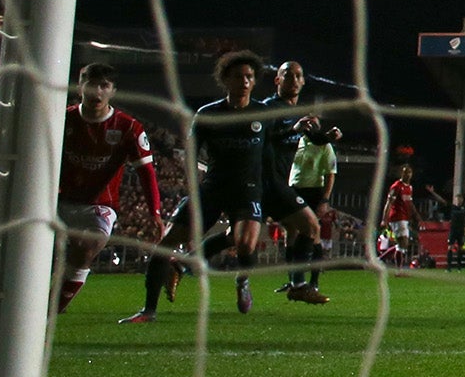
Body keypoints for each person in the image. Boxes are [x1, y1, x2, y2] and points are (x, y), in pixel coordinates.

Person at [124, 50, 277, 323]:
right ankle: (148, 310)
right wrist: (192, 183)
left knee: (244, 243)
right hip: (213, 187)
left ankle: (242, 281)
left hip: (248, 188)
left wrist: (271, 192)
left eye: (250, 77)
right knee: (166, 244)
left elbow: (270, 155)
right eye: (239, 76)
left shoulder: (263, 114)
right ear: (225, 79)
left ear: (255, 82)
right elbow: (192, 153)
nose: (245, 81)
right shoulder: (208, 114)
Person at [57, 63, 160, 314]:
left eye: (104, 86)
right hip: (59, 201)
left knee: (87, 248)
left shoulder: (128, 127)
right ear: (80, 85)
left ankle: (52, 307)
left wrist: (154, 212)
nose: (97, 91)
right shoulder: (62, 119)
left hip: (100, 206)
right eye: (91, 84)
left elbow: (146, 171)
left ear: (113, 91)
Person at [262, 60, 335, 304]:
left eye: (298, 76)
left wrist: (330, 136)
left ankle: (301, 283)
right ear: (277, 80)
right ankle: (300, 284)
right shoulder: (268, 109)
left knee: (239, 238)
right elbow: (267, 137)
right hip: (266, 182)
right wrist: (294, 129)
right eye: (288, 75)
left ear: (303, 82)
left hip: (281, 185)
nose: (294, 80)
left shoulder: (300, 116)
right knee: (308, 228)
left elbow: (317, 140)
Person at [426, 181, 465, 270]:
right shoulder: (452, 207)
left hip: (460, 229)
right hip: (453, 229)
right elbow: (441, 200)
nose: (459, 201)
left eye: (460, 200)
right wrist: (432, 192)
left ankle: (459, 266)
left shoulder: (464, 207)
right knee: (450, 247)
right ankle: (449, 267)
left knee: (460, 248)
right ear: (455, 200)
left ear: (462, 200)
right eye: (457, 200)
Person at [382, 164, 415, 268]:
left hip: (405, 218)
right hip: (396, 217)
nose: (408, 175)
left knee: (403, 244)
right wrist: (384, 219)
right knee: (403, 243)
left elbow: (409, 204)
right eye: (405, 172)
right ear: (402, 173)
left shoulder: (409, 187)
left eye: (409, 172)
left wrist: (415, 215)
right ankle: (399, 270)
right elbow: (389, 203)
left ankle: (381, 259)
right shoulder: (396, 186)